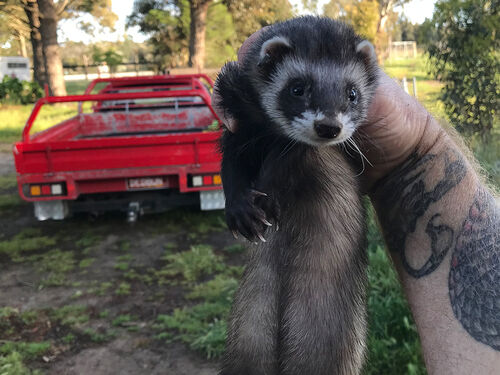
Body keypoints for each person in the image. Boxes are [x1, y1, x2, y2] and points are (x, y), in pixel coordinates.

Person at [213, 28, 500, 374]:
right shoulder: (250, 108)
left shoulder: (344, 140)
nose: (331, 119)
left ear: (368, 79)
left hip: (324, 325)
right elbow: (236, 155)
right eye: (300, 91)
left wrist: (414, 144)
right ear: (267, 68)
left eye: (350, 95)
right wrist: (238, 200)